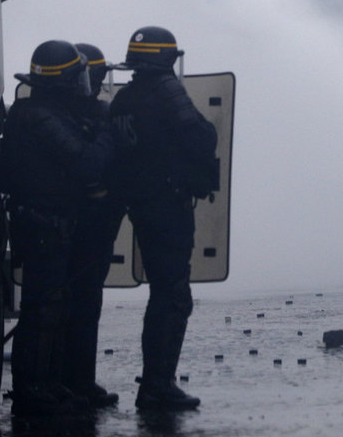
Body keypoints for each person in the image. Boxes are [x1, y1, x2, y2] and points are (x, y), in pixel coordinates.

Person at [1, 40, 115, 417]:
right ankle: (32, 387)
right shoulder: (40, 116)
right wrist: (106, 132)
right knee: (42, 308)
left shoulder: (38, 111)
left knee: (53, 305)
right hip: (43, 223)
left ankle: (48, 383)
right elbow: (86, 164)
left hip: (48, 221)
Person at [109, 27, 218, 410]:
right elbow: (201, 137)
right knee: (172, 296)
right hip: (167, 204)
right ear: (167, 58)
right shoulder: (167, 91)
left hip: (141, 203)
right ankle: (157, 385)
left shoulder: (123, 97)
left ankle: (155, 383)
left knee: (163, 292)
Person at [59, 43, 124, 408]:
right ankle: (77, 382)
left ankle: (59, 380)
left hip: (65, 221)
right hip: (88, 223)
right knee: (83, 303)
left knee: (63, 302)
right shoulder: (99, 116)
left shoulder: (49, 112)